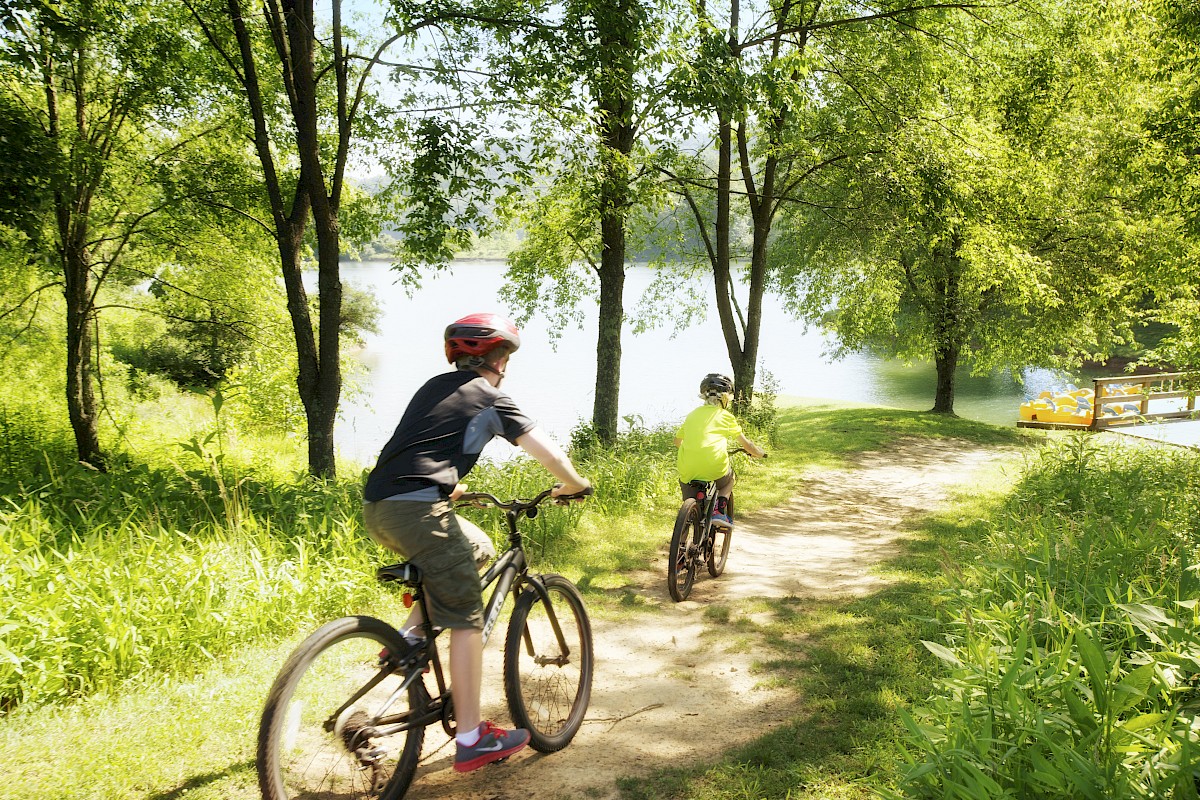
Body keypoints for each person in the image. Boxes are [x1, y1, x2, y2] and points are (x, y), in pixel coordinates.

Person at [362, 312, 591, 773]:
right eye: (505, 355)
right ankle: (471, 738)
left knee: (476, 547)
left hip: (381, 507)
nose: (505, 364)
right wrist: (574, 483)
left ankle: (408, 640)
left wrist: (449, 487)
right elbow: (549, 453)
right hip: (419, 511)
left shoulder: (433, 387)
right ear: (498, 358)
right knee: (466, 615)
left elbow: (418, 447)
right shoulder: (493, 398)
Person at [673, 373, 766, 530]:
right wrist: (759, 453)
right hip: (714, 467)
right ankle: (718, 511)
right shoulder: (726, 417)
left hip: (687, 469)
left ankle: (683, 533)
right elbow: (747, 445)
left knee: (689, 503)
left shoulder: (692, 415)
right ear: (725, 398)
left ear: (704, 395)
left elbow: (677, 442)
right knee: (729, 479)